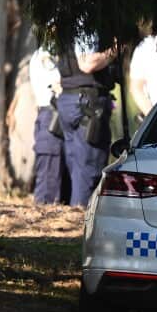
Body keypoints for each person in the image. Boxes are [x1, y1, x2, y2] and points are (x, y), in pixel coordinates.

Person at [55, 31, 118, 206]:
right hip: (86, 104)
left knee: (77, 168)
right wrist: (116, 48)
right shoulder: (86, 21)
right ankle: (82, 225)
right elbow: (87, 63)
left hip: (71, 100)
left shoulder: (67, 20)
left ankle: (77, 217)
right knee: (89, 169)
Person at [29, 46, 68, 204]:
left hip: (58, 114)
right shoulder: (47, 54)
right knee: (48, 180)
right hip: (51, 116)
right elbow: (57, 84)